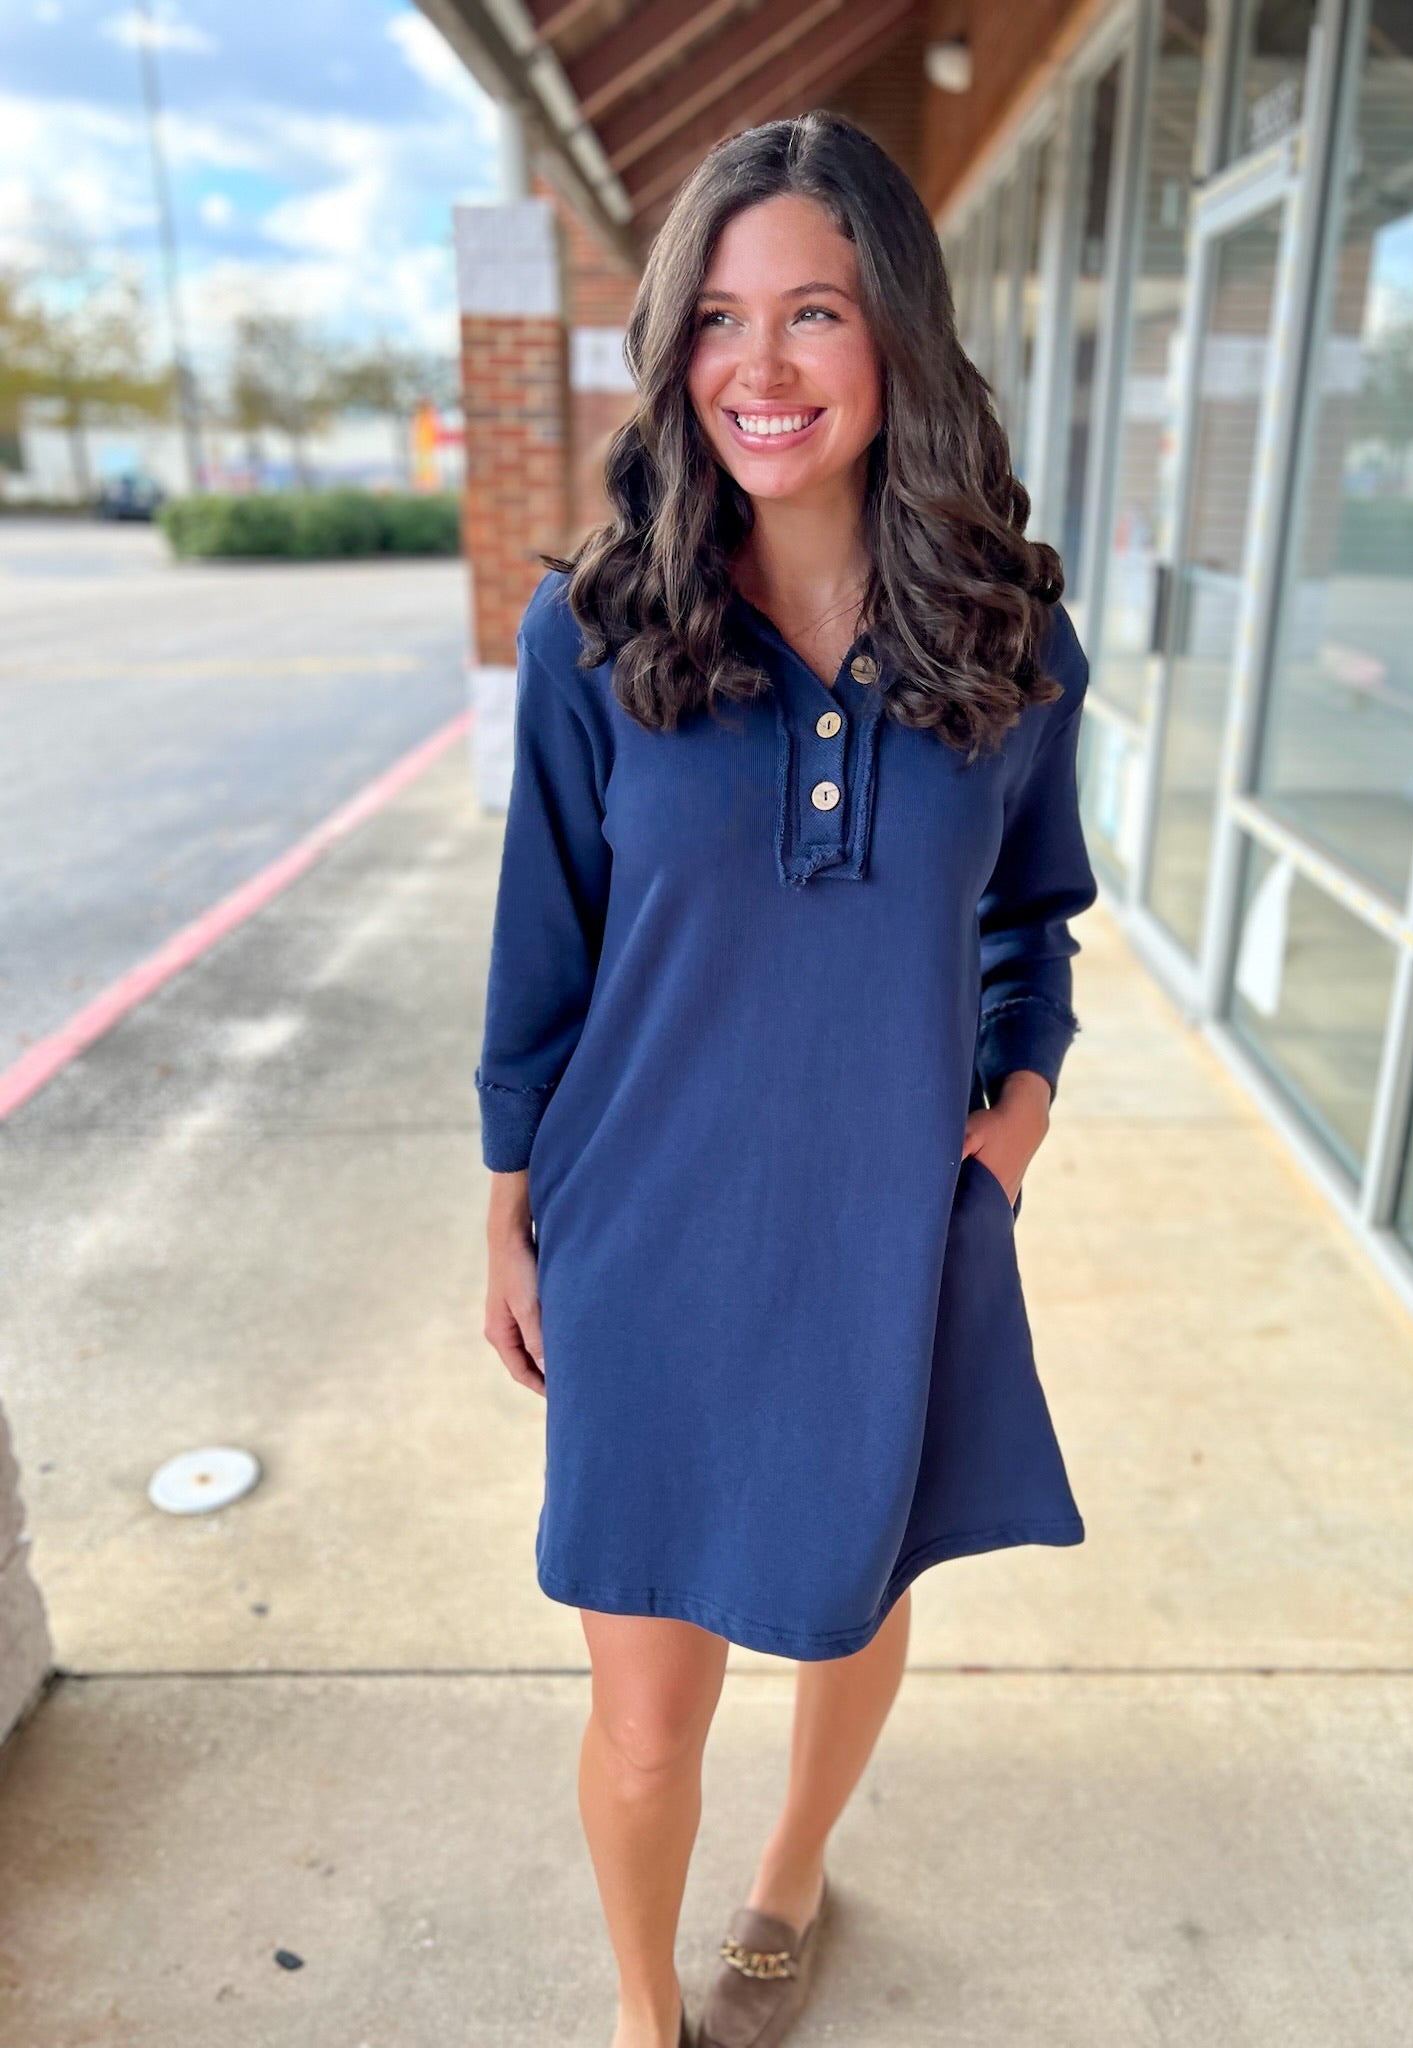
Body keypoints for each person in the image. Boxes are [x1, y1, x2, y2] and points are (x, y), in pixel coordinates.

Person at [477, 109, 1098, 2048]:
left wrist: (1010, 1131)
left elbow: (1036, 924)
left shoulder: (1009, 639)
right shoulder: (594, 635)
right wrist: (510, 1200)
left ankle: (797, 1869)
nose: (758, 368)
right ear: (675, 354)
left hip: (877, 1236)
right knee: (648, 1721)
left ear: (893, 330)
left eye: (811, 311)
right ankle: (643, 2020)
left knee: (848, 1589)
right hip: (646, 1241)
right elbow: (543, 953)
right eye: (719, 321)